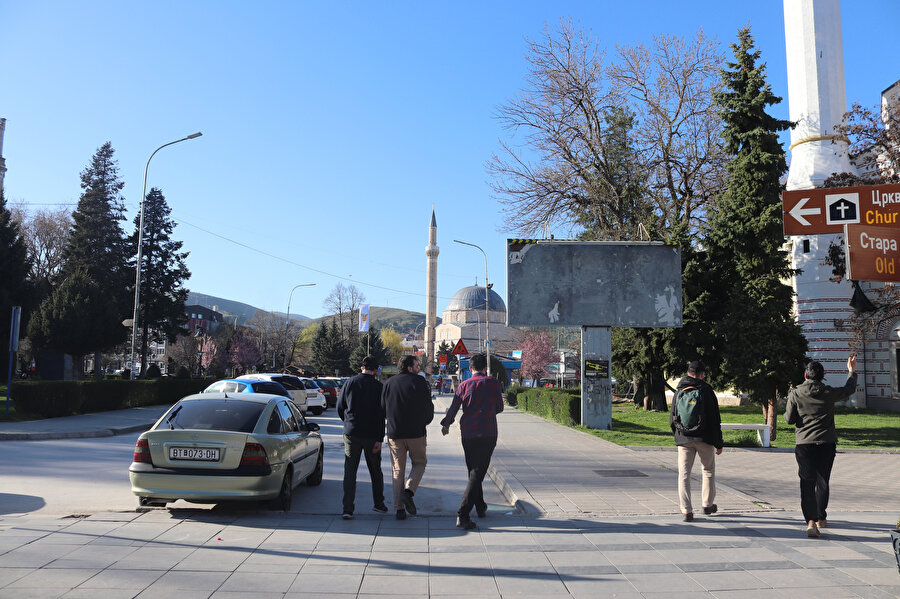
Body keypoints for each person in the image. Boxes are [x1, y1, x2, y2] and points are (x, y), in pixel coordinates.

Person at [785, 355, 857, 538]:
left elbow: (789, 419)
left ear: (805, 375)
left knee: (806, 482)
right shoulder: (828, 392)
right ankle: (821, 518)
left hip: (804, 444)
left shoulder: (795, 393)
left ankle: (810, 521)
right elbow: (848, 390)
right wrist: (851, 370)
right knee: (823, 480)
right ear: (822, 376)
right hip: (826, 442)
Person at [441, 353, 504, 530]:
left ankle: (480, 505)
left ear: (470, 369)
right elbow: (499, 407)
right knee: (478, 471)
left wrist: (446, 425)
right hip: (487, 432)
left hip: (467, 433)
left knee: (474, 471)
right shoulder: (493, 383)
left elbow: (453, 408)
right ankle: (463, 513)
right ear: (485, 368)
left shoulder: (463, 385)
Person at [381, 355, 434, 520]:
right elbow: (428, 407)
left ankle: (399, 509)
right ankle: (408, 491)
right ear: (410, 368)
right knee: (419, 463)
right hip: (416, 432)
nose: (419, 368)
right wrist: (425, 422)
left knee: (398, 469)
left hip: (395, 433)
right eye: (417, 365)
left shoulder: (389, 384)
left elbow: (382, 407)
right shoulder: (420, 383)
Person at [669, 360, 723, 522]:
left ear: (688, 373)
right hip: (704, 439)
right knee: (708, 470)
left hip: (684, 439)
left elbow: (673, 417)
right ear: (702, 374)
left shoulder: (679, 390)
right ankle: (707, 504)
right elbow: (715, 419)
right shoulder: (706, 390)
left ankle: (686, 511)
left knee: (684, 474)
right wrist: (718, 442)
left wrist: (678, 435)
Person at [336, 355, 387, 520]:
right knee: (375, 471)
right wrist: (380, 438)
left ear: (361, 368)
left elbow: (340, 406)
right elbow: (382, 415)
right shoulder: (379, 387)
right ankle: (378, 504)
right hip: (372, 434)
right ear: (375, 370)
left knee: (350, 471)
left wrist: (348, 422)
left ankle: (347, 508)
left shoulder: (349, 383)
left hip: (352, 433)